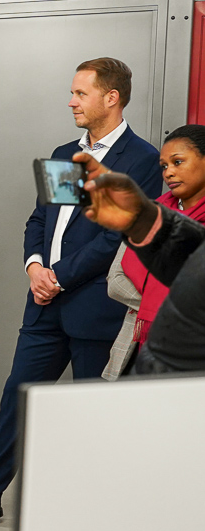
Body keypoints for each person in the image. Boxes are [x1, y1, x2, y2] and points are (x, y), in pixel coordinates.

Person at [0, 58, 162, 522]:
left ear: (111, 97)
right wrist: (35, 266)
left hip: (95, 308)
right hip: (43, 304)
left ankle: (94, 511)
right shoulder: (65, 153)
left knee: (92, 414)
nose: (71, 101)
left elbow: (118, 237)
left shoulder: (142, 160)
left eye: (80, 93)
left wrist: (59, 276)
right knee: (17, 398)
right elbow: (42, 219)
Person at [80, 151, 205, 374]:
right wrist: (141, 216)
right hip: (141, 351)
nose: (169, 172)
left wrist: (172, 306)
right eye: (164, 166)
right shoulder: (161, 209)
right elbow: (116, 281)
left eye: (178, 162)